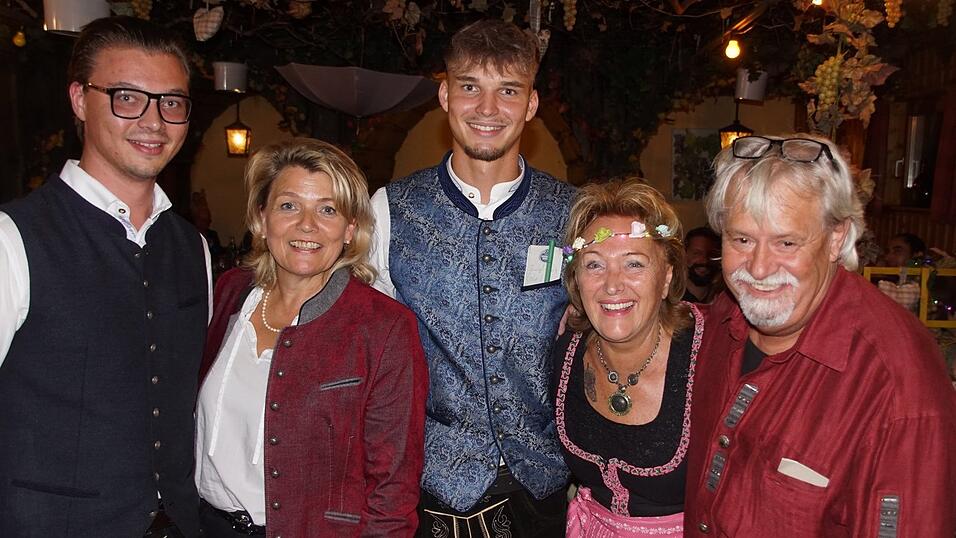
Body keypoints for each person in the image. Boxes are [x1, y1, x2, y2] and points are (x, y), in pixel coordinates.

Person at [0, 17, 211, 537]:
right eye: (127, 97)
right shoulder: (14, 236)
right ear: (79, 100)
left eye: (172, 102)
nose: (154, 121)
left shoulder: (193, 248)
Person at [684, 134, 956, 536]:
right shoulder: (723, 316)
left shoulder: (899, 386)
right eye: (741, 239)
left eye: (786, 242)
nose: (758, 269)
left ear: (836, 239)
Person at [369, 18, 576, 537]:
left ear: (530, 105)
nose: (488, 110)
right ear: (445, 95)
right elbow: (369, 348)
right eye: (470, 88)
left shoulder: (573, 214)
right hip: (433, 489)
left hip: (547, 487)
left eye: (508, 91)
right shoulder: (390, 210)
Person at [196, 138, 428, 537]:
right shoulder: (230, 293)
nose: (307, 225)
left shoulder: (383, 327)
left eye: (327, 209)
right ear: (261, 218)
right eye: (289, 206)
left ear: (350, 228)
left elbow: (393, 488)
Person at [553, 180, 703, 537]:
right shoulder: (567, 348)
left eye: (634, 264)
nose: (612, 284)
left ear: (666, 277)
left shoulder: (710, 353)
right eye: (594, 265)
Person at [682, 226, 721, 303]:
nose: (704, 260)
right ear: (684, 255)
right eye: (696, 253)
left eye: (711, 254)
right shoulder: (670, 299)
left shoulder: (722, 301)